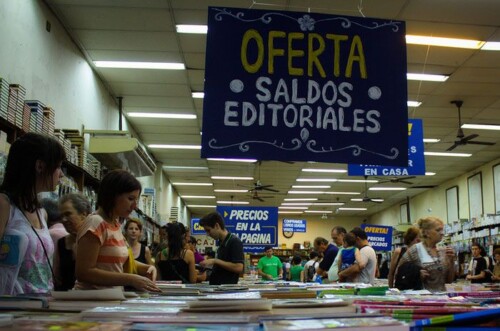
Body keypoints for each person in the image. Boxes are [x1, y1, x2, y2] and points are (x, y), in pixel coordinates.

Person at [0, 133, 66, 295]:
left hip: (42, 306)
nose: (61, 174)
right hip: (12, 308)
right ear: (40, 166)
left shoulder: (41, 213)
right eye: (58, 167)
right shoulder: (4, 205)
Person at [74, 169, 159, 292]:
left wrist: (147, 268)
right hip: (92, 301)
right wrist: (130, 279)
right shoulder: (96, 223)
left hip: (108, 300)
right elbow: (84, 272)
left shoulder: (115, 225)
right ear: (113, 195)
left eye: (136, 200)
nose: (134, 206)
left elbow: (116, 264)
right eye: (130, 199)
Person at [396, 217, 455, 292]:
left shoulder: (444, 251)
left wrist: (451, 261)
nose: (442, 233)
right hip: (421, 298)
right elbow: (400, 273)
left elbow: (449, 280)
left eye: (442, 230)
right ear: (427, 233)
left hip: (442, 297)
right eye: (438, 230)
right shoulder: (415, 250)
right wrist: (416, 275)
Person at [54, 193, 92, 291]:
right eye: (61, 216)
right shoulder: (61, 243)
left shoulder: (95, 241)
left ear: (83, 214)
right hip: (64, 299)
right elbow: (56, 277)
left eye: (68, 214)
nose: (64, 220)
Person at [198, 212, 244, 285]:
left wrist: (215, 261)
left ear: (217, 226)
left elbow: (238, 267)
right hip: (218, 288)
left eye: (208, 230)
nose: (207, 234)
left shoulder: (234, 241)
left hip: (226, 292)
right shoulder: (221, 242)